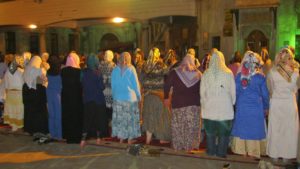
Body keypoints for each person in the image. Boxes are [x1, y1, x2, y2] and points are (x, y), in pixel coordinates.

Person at [231, 51, 269, 159]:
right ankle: (253, 152)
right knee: (254, 128)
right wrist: (266, 107)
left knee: (243, 127)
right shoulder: (260, 77)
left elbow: (236, 92)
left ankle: (242, 151)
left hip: (242, 107)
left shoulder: (239, 77)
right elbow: (265, 95)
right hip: (256, 108)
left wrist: (237, 103)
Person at [200, 50, 236, 158]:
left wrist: (204, 103)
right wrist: (232, 103)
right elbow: (233, 92)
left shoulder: (206, 73)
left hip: (209, 108)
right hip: (224, 108)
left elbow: (202, 92)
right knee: (223, 133)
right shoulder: (228, 73)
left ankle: (211, 151)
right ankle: (221, 152)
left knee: (210, 132)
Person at [267, 47, 299, 163]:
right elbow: (296, 89)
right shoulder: (296, 72)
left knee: (276, 129)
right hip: (290, 104)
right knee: (289, 130)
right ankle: (287, 156)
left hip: (276, 103)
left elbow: (270, 89)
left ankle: (274, 155)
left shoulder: (272, 72)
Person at [164, 54, 201, 151]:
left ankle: (178, 145)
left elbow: (167, 86)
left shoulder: (174, 73)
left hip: (178, 104)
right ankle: (190, 146)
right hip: (193, 106)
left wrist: (166, 98)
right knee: (191, 126)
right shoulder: (198, 74)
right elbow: (202, 90)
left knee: (178, 126)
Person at [141, 47, 171, 144]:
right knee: (162, 117)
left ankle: (148, 140)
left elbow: (142, 78)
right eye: (158, 52)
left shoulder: (145, 65)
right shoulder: (160, 64)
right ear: (156, 54)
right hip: (158, 94)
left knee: (149, 117)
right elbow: (168, 72)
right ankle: (162, 138)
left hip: (148, 95)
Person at [111, 52, 141, 144]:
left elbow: (113, 85)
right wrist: (139, 96)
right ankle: (129, 139)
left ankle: (121, 138)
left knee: (120, 119)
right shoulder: (131, 69)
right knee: (130, 119)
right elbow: (135, 84)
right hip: (130, 98)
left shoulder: (115, 69)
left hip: (118, 98)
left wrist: (114, 96)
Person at [80, 54, 108, 148]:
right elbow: (101, 87)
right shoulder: (97, 73)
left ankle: (83, 140)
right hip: (98, 100)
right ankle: (98, 139)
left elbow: (81, 84)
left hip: (88, 99)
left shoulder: (83, 72)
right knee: (98, 120)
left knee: (87, 120)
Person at [23, 55, 49, 143]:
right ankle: (41, 129)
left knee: (30, 111)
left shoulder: (27, 69)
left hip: (27, 91)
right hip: (38, 92)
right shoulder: (38, 70)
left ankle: (31, 129)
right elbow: (45, 79)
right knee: (40, 112)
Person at [61, 52, 83, 144]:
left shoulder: (62, 71)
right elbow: (81, 84)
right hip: (76, 98)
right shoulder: (79, 71)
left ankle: (69, 137)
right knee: (76, 117)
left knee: (68, 116)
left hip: (66, 97)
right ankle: (77, 137)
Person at [3, 55, 24, 131]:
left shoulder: (8, 71)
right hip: (19, 93)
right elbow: (24, 83)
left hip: (10, 93)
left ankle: (13, 126)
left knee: (12, 110)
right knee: (18, 110)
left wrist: (7, 92)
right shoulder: (21, 71)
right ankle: (18, 125)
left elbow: (5, 84)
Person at [46, 55, 62, 141]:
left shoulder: (48, 71)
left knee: (51, 114)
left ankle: (52, 133)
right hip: (57, 94)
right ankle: (59, 135)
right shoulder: (60, 72)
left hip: (49, 93)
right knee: (58, 115)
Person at [98, 50, 116, 122]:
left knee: (103, 107)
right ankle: (110, 121)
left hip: (101, 89)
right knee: (110, 107)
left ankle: (103, 121)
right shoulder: (114, 65)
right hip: (110, 89)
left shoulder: (100, 65)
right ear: (111, 57)